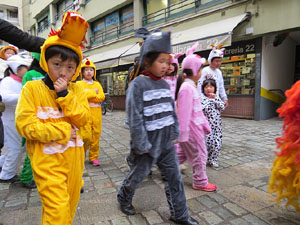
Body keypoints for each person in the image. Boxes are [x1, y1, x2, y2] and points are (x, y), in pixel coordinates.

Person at [117, 29, 199, 225]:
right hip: (147, 143)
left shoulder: (164, 84)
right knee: (138, 175)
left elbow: (171, 110)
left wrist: (174, 132)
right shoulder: (138, 84)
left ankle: (180, 215)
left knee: (174, 179)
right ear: (147, 61)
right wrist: (141, 143)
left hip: (166, 142)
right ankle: (123, 196)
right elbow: (135, 116)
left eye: (167, 61)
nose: (166, 66)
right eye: (161, 61)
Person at [15, 11, 90, 225]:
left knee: (67, 210)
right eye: (57, 64)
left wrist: (65, 97)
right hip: (47, 162)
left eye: (69, 67)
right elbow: (25, 125)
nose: (63, 72)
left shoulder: (77, 91)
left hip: (74, 162)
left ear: (76, 69)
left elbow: (83, 120)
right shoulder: (32, 88)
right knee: (57, 213)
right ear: (46, 62)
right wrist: (64, 131)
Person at [175, 42, 217, 192]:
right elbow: (184, 113)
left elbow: (197, 111)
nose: (201, 71)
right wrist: (183, 134)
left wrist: (205, 126)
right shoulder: (187, 88)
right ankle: (200, 181)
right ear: (194, 70)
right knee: (200, 155)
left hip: (193, 129)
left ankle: (169, 170)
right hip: (192, 131)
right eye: (200, 68)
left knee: (182, 153)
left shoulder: (190, 86)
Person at [0, 54, 31, 182]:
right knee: (15, 148)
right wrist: (24, 96)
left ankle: (2, 164)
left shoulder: (24, 82)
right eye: (26, 67)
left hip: (20, 120)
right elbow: (4, 97)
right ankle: (7, 175)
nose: (28, 70)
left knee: (19, 148)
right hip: (10, 121)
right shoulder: (7, 81)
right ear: (17, 68)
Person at [19, 52, 46, 189]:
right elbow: (25, 97)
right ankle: (26, 176)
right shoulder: (30, 75)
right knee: (33, 150)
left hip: (49, 118)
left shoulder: (52, 74)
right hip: (35, 118)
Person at [77, 58, 105, 166]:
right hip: (85, 112)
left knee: (96, 135)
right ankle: (81, 154)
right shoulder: (79, 84)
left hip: (96, 113)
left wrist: (87, 94)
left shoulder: (97, 84)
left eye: (91, 70)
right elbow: (80, 96)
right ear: (82, 72)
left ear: (94, 72)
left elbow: (101, 97)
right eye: (86, 70)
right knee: (86, 136)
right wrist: (93, 93)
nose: (89, 72)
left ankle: (94, 156)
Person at [201, 79, 225, 168]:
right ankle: (205, 159)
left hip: (217, 126)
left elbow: (222, 107)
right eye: (206, 87)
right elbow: (203, 109)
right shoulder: (202, 99)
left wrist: (215, 99)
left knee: (217, 144)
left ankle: (213, 159)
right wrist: (210, 100)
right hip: (206, 127)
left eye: (211, 87)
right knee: (207, 144)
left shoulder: (216, 97)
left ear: (215, 88)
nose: (209, 89)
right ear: (203, 89)